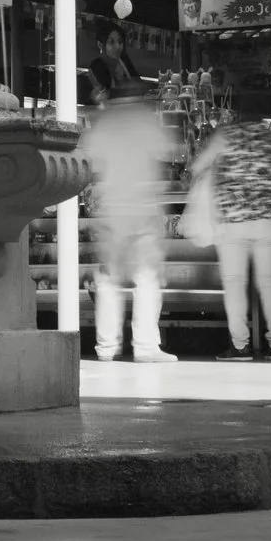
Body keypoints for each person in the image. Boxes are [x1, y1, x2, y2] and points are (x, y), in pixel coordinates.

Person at [82, 90, 175, 363]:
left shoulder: (106, 122)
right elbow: (166, 152)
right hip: (140, 209)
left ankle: (106, 347)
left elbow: (90, 158)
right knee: (147, 278)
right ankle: (145, 346)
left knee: (110, 280)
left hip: (113, 210)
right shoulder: (145, 120)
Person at [199, 98, 271, 358]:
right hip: (268, 220)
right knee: (270, 282)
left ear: (236, 113)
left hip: (234, 221)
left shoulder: (225, 136)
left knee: (235, 283)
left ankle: (241, 346)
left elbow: (198, 166)